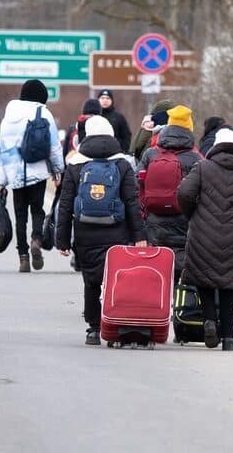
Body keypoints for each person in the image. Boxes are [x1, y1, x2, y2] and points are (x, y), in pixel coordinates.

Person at [56, 116, 147, 345]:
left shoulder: (76, 164)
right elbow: (132, 203)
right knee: (117, 279)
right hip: (117, 232)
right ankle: (115, 324)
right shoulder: (123, 164)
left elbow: (65, 205)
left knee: (91, 281)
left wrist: (63, 240)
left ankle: (93, 329)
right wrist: (140, 236)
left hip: (85, 233)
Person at [177, 129, 233, 351]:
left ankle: (208, 320)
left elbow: (184, 192)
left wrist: (192, 214)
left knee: (204, 279)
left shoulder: (203, 168)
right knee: (229, 287)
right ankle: (228, 338)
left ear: (216, 146)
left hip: (203, 234)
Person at [0, 80, 65, 273]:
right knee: (37, 210)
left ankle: (23, 256)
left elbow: (2, 150)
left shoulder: (8, 118)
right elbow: (54, 147)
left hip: (14, 174)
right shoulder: (44, 113)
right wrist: (58, 170)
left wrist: (1, 181)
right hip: (37, 170)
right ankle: (36, 240)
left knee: (20, 216)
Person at [137, 105, 202, 282]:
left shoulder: (150, 154)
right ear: (189, 129)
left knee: (158, 269)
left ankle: (160, 305)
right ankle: (181, 305)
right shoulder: (196, 158)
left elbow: (137, 187)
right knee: (182, 268)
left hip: (154, 222)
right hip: (185, 222)